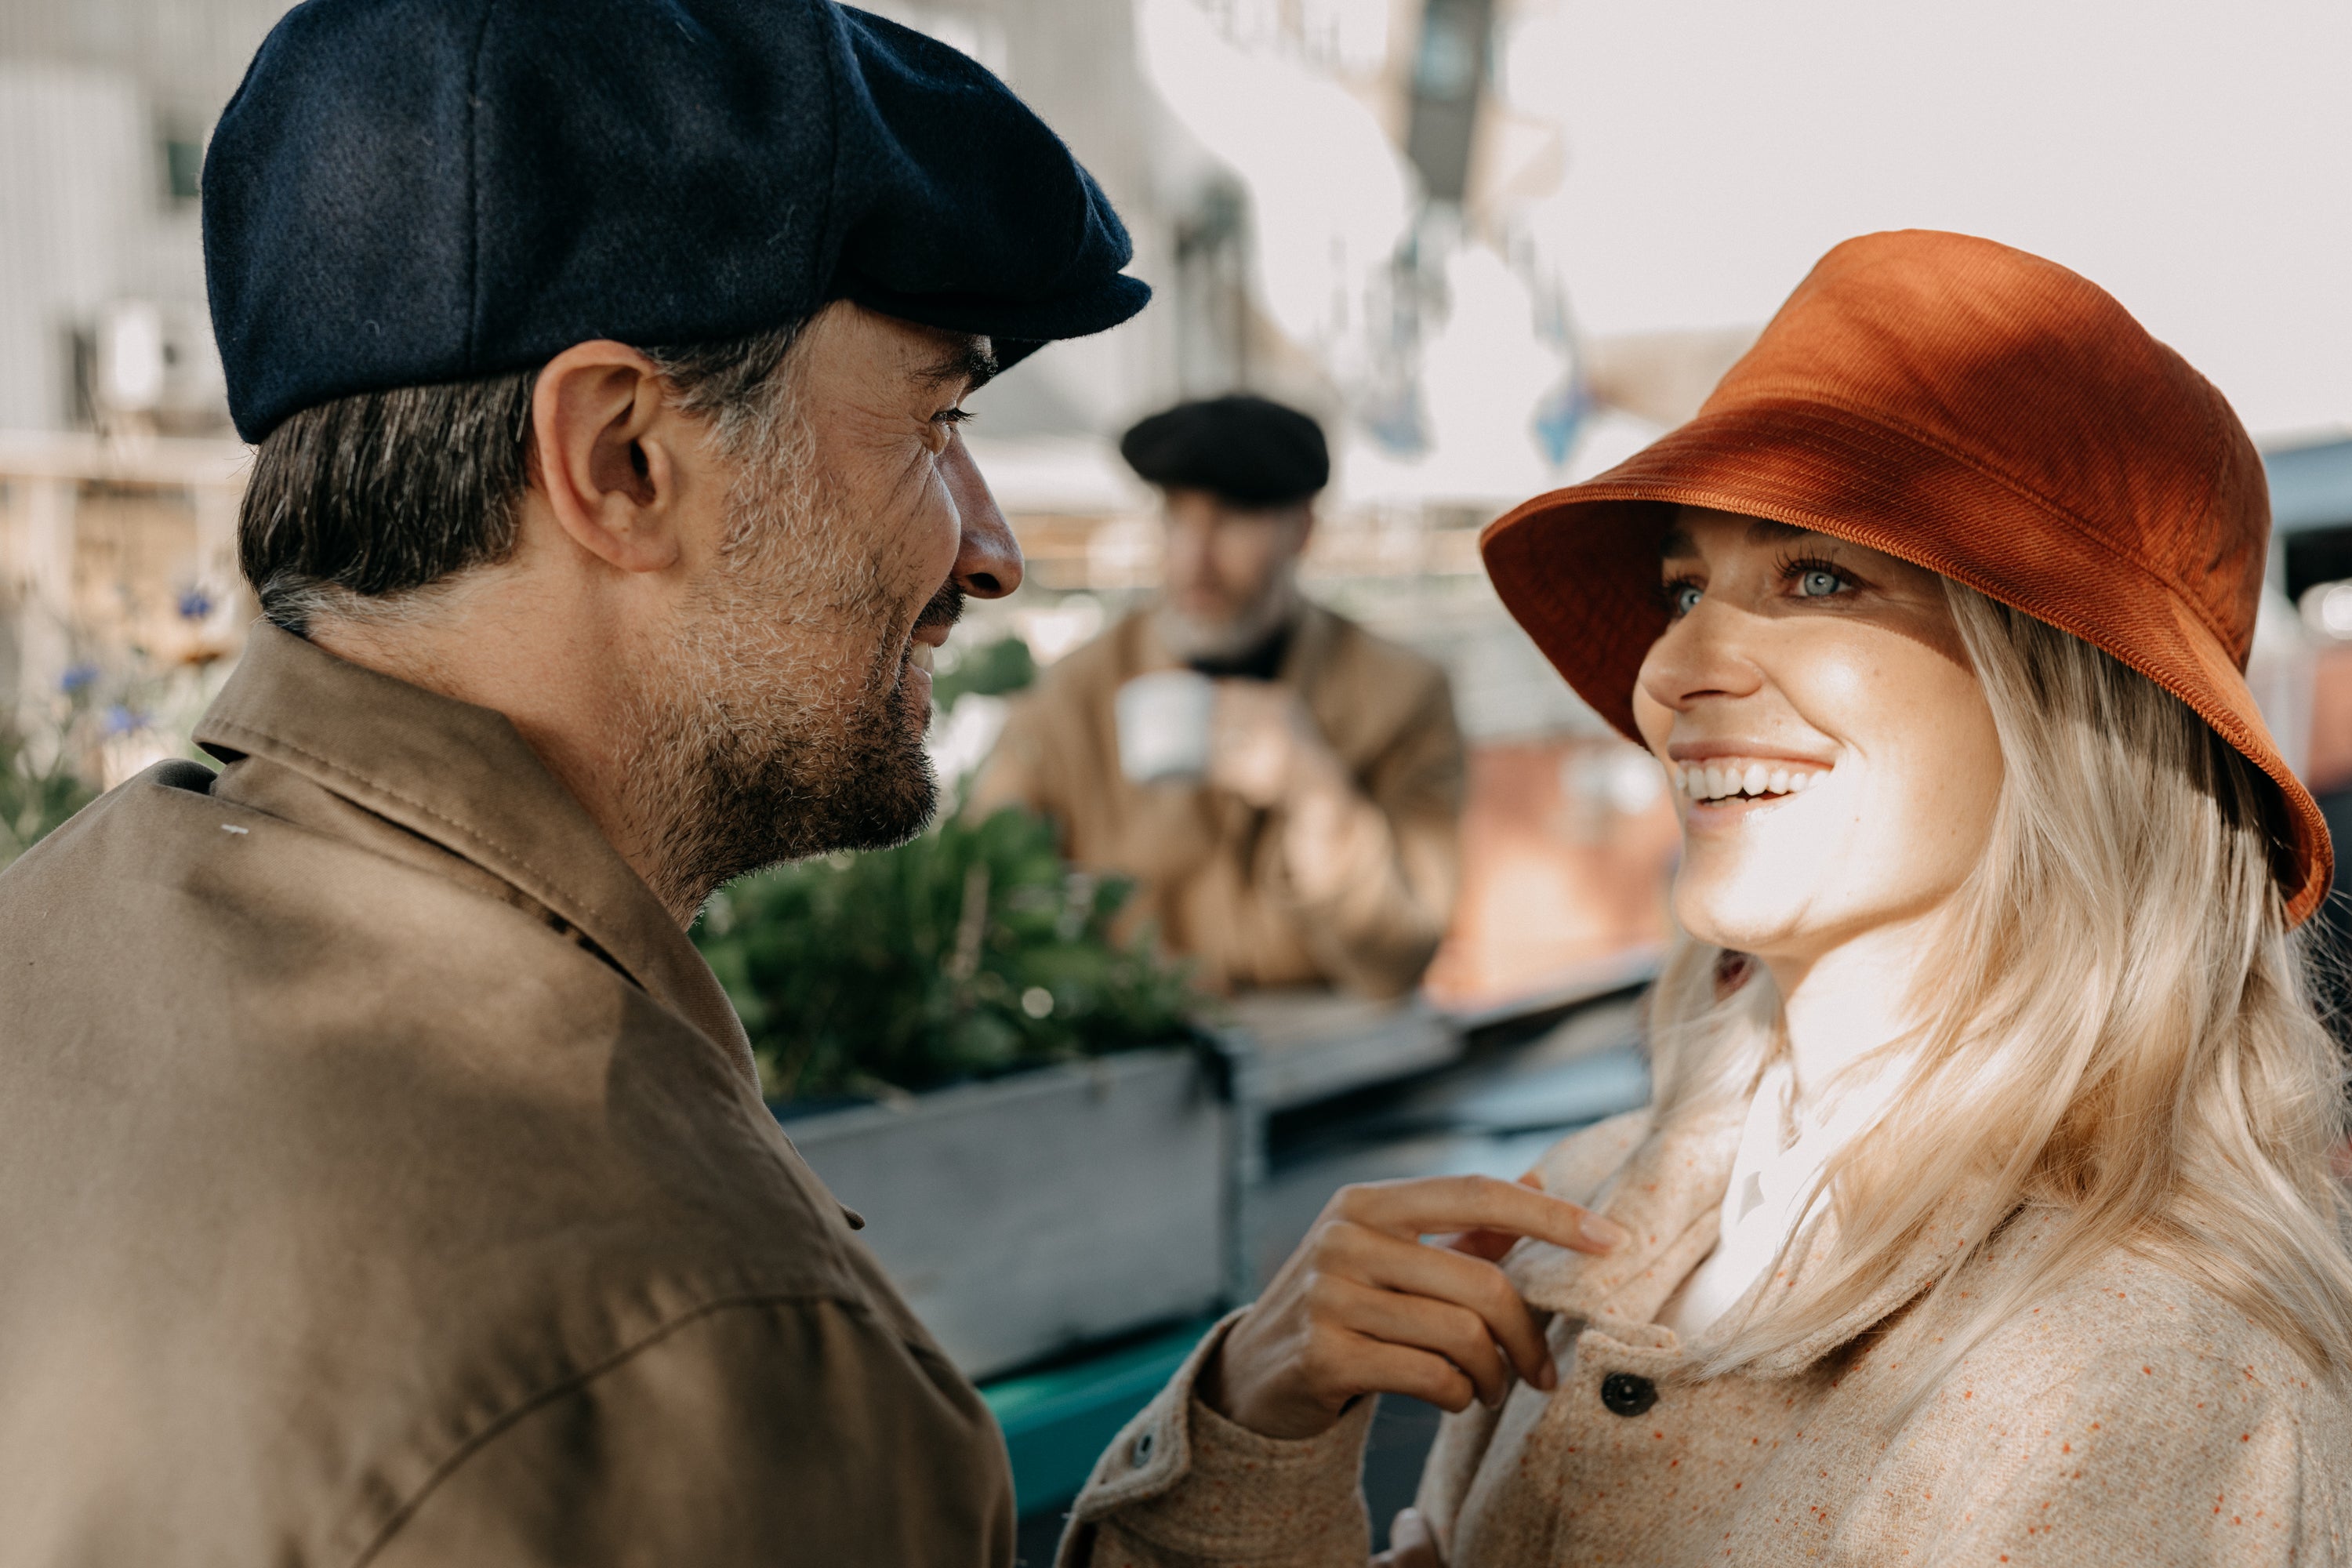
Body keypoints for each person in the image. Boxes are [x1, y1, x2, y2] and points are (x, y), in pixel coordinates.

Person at [0, 3, 1622, 1561]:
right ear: (624, 458)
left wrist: (1242, 1454)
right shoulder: (701, 1335)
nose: (988, 547)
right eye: (938, 421)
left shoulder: (52, 934)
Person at [1057, 231, 2352, 1566]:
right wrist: (1255, 1428)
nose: (1673, 668)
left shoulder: (2149, 1383)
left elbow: (1397, 927)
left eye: (1819, 575)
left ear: (2066, 701)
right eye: (1685, 586)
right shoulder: (1579, 1206)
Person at [973, 394, 1465, 998]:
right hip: (1140, 1056)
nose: (1195, 559)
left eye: (1232, 517)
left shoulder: (1403, 696)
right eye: (1178, 516)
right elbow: (986, 899)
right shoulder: (1070, 699)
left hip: (1330, 1065)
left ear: (1302, 529)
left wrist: (1318, 798)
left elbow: (1399, 960)